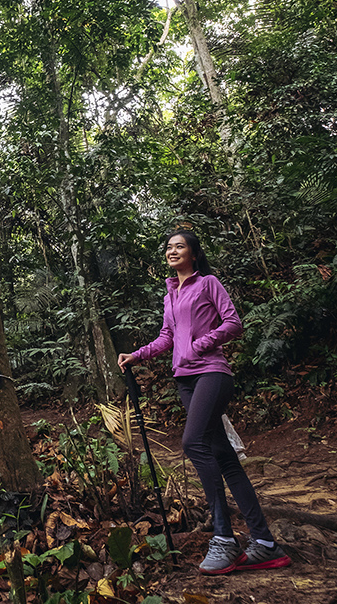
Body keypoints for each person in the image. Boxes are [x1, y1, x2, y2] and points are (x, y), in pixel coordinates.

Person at [118, 229, 291, 576]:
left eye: (179, 246)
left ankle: (224, 538)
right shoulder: (169, 294)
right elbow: (167, 337)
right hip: (185, 380)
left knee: (192, 442)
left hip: (212, 372)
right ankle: (265, 543)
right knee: (225, 458)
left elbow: (233, 323)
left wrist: (201, 344)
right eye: (168, 247)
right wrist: (136, 355)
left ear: (194, 254)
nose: (172, 251)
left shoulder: (208, 283)